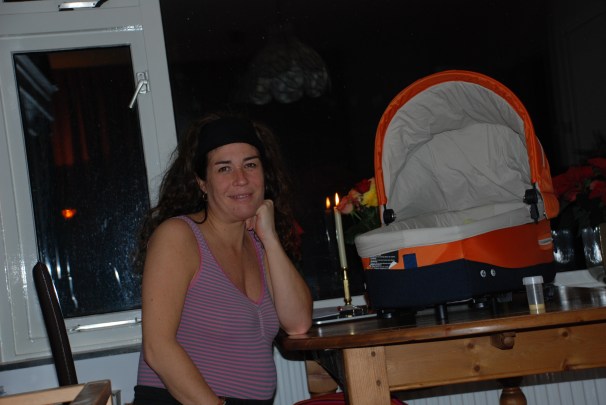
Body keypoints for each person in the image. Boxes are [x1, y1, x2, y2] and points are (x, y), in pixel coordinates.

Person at [133, 112, 313, 405]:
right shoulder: (178, 236)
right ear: (202, 183)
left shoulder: (258, 241)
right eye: (224, 168)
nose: (241, 179)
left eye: (250, 165)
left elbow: (298, 324)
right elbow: (158, 348)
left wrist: (270, 238)